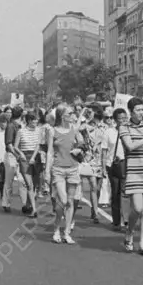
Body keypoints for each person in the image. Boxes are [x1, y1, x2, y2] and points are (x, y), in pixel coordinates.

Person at [119, 97, 143, 256]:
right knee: (137, 207)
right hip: (134, 171)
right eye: (138, 110)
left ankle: (142, 243)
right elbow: (130, 146)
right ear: (131, 112)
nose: (141, 113)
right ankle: (129, 232)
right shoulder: (124, 127)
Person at [44, 104, 85, 245]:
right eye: (70, 113)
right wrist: (46, 172)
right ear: (62, 116)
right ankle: (56, 229)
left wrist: (79, 149)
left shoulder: (74, 129)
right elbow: (49, 152)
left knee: (71, 201)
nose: (73, 115)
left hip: (73, 168)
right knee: (64, 200)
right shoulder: (52, 131)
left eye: (73, 113)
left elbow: (82, 143)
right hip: (58, 169)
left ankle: (66, 232)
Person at [104, 107, 128, 231]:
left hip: (127, 165)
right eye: (120, 119)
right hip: (112, 165)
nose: (123, 121)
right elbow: (104, 150)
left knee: (126, 194)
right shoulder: (109, 132)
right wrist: (103, 167)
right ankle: (116, 221)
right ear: (115, 120)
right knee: (115, 193)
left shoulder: (130, 131)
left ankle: (126, 220)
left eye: (125, 118)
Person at [16, 111, 41, 218]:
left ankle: (28, 205)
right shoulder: (21, 131)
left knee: (35, 185)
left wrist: (33, 157)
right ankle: (34, 210)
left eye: (37, 120)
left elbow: (38, 145)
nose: (36, 122)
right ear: (29, 120)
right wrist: (21, 153)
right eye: (34, 120)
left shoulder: (39, 131)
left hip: (35, 157)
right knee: (29, 184)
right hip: (24, 158)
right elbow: (16, 146)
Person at [2, 107, 23, 214]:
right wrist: (16, 154)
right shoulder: (11, 126)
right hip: (11, 155)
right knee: (9, 181)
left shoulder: (19, 126)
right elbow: (9, 144)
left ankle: (25, 204)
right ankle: (6, 203)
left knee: (22, 180)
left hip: (19, 155)